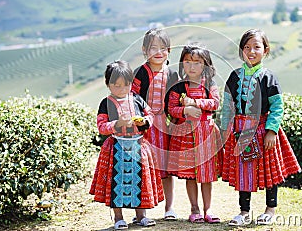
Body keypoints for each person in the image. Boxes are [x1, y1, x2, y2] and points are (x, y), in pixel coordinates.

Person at [220, 29, 301, 226]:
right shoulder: (234, 77)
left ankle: (270, 209)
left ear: (265, 50)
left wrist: (271, 131)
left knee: (269, 171)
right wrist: (224, 131)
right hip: (240, 130)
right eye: (247, 47)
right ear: (241, 51)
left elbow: (277, 107)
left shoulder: (268, 77)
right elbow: (227, 105)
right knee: (243, 171)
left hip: (263, 131)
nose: (251, 51)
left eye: (256, 47)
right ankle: (244, 211)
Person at [89, 60, 164, 230]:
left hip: (138, 145)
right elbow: (101, 126)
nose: (122, 89)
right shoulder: (106, 103)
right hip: (116, 148)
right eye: (117, 85)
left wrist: (145, 121)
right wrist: (116, 123)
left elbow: (150, 115)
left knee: (140, 180)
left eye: (126, 85)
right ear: (108, 84)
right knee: (117, 182)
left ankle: (141, 216)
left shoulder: (137, 99)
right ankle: (118, 217)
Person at [166, 43, 222, 224]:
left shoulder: (210, 85)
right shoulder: (178, 87)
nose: (192, 66)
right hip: (186, 136)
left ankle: (208, 208)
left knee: (206, 174)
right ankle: (194, 208)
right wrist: (185, 111)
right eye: (188, 62)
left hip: (206, 134)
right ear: (182, 64)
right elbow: (171, 108)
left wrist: (194, 103)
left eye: (197, 62)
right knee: (191, 174)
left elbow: (215, 104)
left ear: (205, 65)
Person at [131, 28, 179, 220]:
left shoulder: (172, 73)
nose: (158, 52)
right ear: (144, 50)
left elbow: (175, 101)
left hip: (165, 127)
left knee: (166, 170)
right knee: (142, 167)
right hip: (144, 128)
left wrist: (175, 122)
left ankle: (169, 208)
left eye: (163, 48)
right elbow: (133, 99)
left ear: (169, 50)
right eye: (153, 48)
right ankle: (141, 211)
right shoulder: (140, 73)